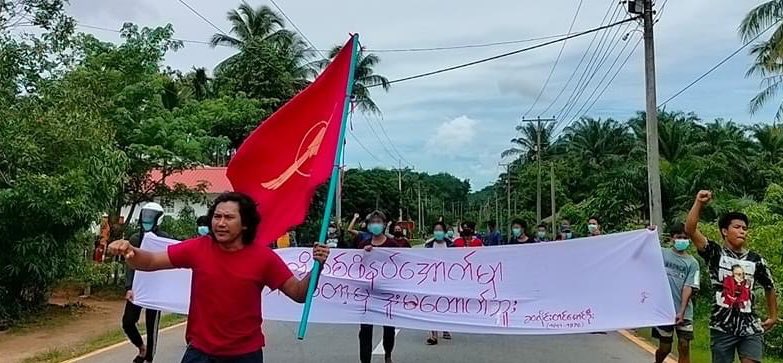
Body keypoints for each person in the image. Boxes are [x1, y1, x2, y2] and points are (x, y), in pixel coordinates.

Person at [107, 192, 330, 363]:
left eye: (229, 218)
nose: (220, 223)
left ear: (245, 224)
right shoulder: (198, 248)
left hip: (244, 356)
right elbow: (151, 261)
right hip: (199, 353)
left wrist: (317, 266)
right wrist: (130, 252)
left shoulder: (264, 257)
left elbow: (299, 293)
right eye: (217, 216)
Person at [686, 190, 777, 363]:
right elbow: (690, 229)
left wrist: (773, 316)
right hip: (722, 326)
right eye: (737, 227)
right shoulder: (715, 253)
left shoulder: (756, 260)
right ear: (725, 231)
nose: (742, 231)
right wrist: (699, 202)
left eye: (744, 228)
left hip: (750, 325)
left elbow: (769, 286)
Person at [123, 202, 171, 363]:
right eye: (146, 215)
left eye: (152, 216)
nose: (148, 219)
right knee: (128, 321)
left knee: (152, 326)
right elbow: (130, 265)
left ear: (159, 219)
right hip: (137, 287)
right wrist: (129, 287)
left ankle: (149, 357)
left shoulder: (164, 239)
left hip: (156, 288)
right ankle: (141, 348)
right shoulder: (135, 239)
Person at [653, 223, 700, 363]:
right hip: (664, 310)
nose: (682, 240)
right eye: (679, 237)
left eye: (685, 238)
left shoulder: (693, 263)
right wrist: (648, 234)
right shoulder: (661, 253)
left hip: (684, 312)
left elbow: (689, 286)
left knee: (684, 345)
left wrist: (681, 311)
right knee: (665, 347)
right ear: (672, 238)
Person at [357, 210, 399, 363]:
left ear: (384, 224)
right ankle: (365, 360)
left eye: (378, 222)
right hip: (367, 294)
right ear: (368, 226)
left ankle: (387, 354)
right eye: (372, 222)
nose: (375, 225)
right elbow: (354, 267)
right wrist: (364, 254)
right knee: (365, 330)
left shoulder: (392, 245)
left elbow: (400, 267)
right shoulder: (363, 245)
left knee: (389, 328)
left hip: (386, 294)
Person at [424, 221, 453, 345]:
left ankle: (446, 328)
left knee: (445, 304)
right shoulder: (429, 245)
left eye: (440, 230)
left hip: (447, 279)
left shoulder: (451, 245)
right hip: (432, 279)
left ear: (445, 232)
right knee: (432, 305)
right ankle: (434, 334)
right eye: (436, 230)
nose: (438, 232)